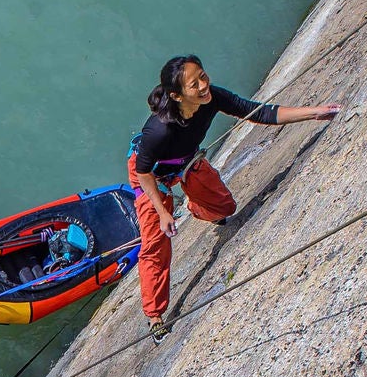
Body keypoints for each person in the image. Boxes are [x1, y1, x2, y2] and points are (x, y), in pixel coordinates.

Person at [129, 55, 340, 337]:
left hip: (186, 162)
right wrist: (163, 211)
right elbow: (143, 173)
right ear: (176, 95)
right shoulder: (159, 130)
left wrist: (313, 113)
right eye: (195, 84)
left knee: (224, 207)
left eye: (203, 76)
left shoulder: (212, 98)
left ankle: (195, 206)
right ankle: (155, 315)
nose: (204, 85)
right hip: (153, 178)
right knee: (156, 243)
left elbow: (260, 112)